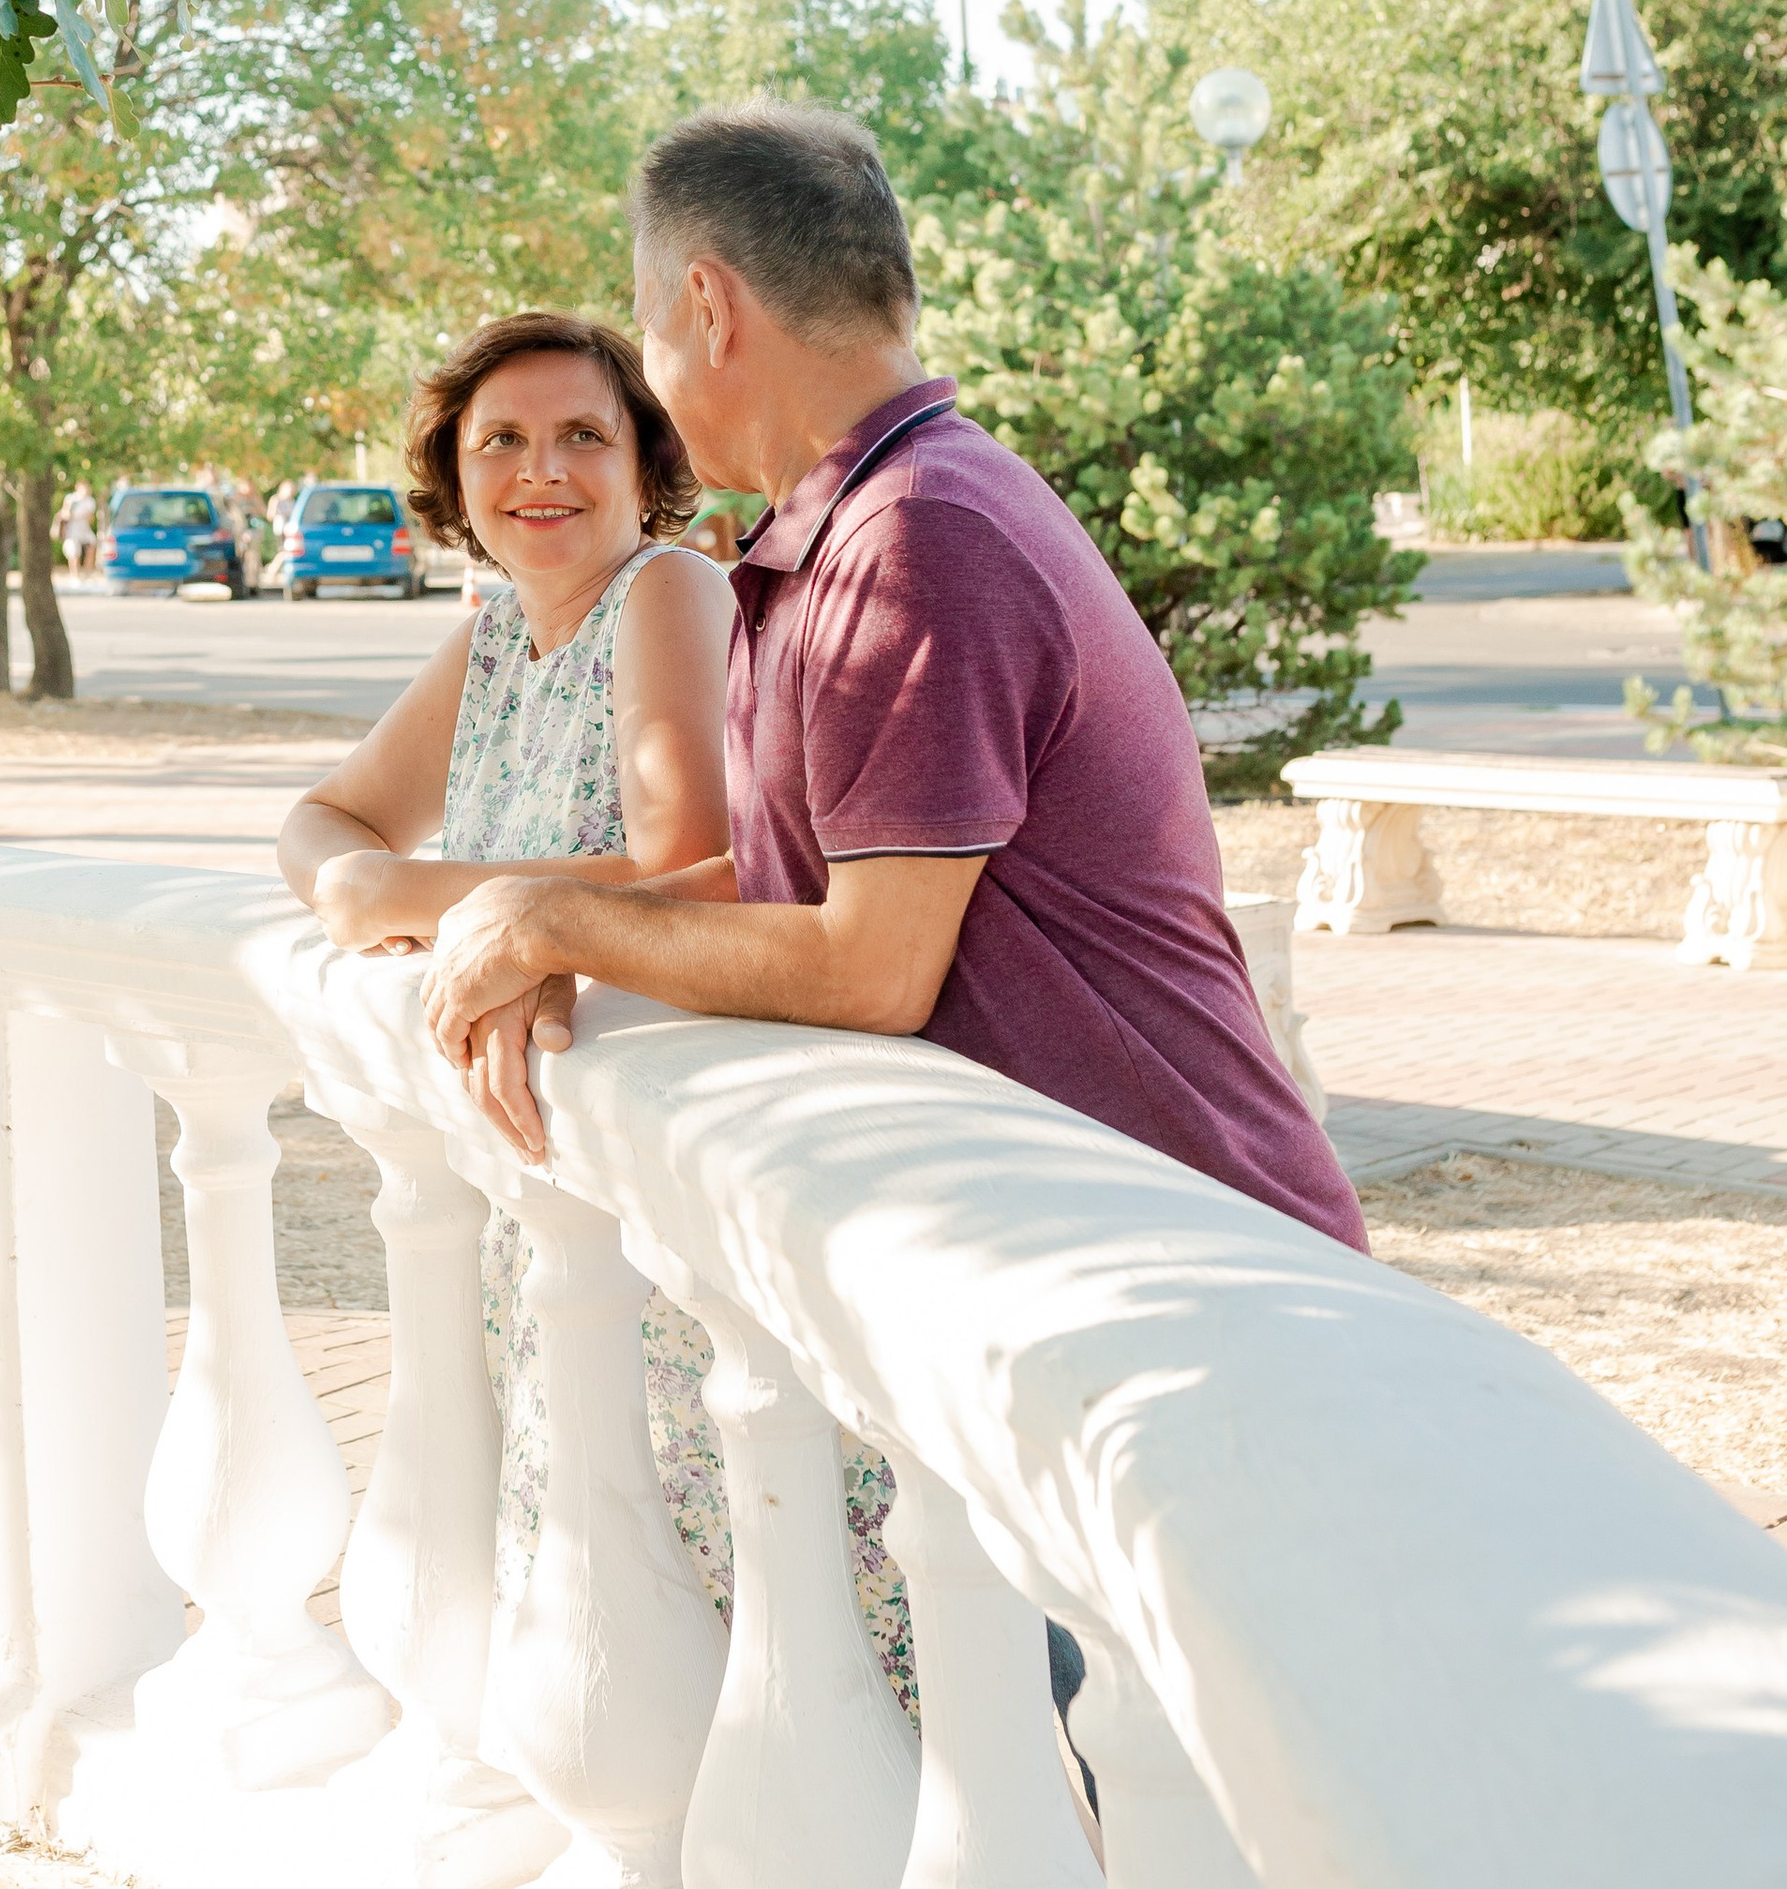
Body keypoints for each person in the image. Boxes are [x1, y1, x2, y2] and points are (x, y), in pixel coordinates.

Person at [421, 102, 1367, 1257]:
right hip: (1071, 1246)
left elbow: (871, 968)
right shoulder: (863, 521)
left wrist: (553, 921)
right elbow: (795, 885)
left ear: (708, 309)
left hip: (1195, 1254)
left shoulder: (917, 537)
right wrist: (556, 935)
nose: (654, 368)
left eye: (646, 318)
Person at [278, 312, 912, 1665]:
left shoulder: (666, 593)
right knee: (601, 1570)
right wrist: (360, 890)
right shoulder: (499, 636)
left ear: (646, 468)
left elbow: (674, 860)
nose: (540, 470)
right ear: (454, 476)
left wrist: (439, 902)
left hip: (672, 1146)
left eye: (583, 435)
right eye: (499, 440)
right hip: (549, 1169)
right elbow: (328, 824)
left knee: (740, 1579)